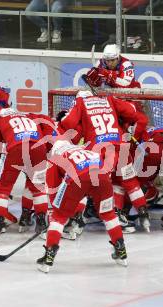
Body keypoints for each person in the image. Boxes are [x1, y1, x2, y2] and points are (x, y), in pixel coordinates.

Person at [59, 90, 150, 233]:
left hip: (99, 149)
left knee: (90, 183)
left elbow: (68, 124)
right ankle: (143, 213)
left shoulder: (81, 103)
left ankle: (78, 219)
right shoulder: (109, 99)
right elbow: (132, 111)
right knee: (129, 180)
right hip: (120, 145)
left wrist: (62, 118)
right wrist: (120, 117)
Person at [37, 139, 127, 273]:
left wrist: (60, 210)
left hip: (78, 179)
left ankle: (49, 256)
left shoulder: (55, 158)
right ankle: (121, 250)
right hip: (102, 178)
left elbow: (52, 188)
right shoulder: (86, 150)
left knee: (59, 216)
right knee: (108, 214)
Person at [0, 108, 49, 244]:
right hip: (39, 149)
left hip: (17, 148)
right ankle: (42, 223)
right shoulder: (30, 115)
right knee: (38, 187)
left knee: (3, 189)